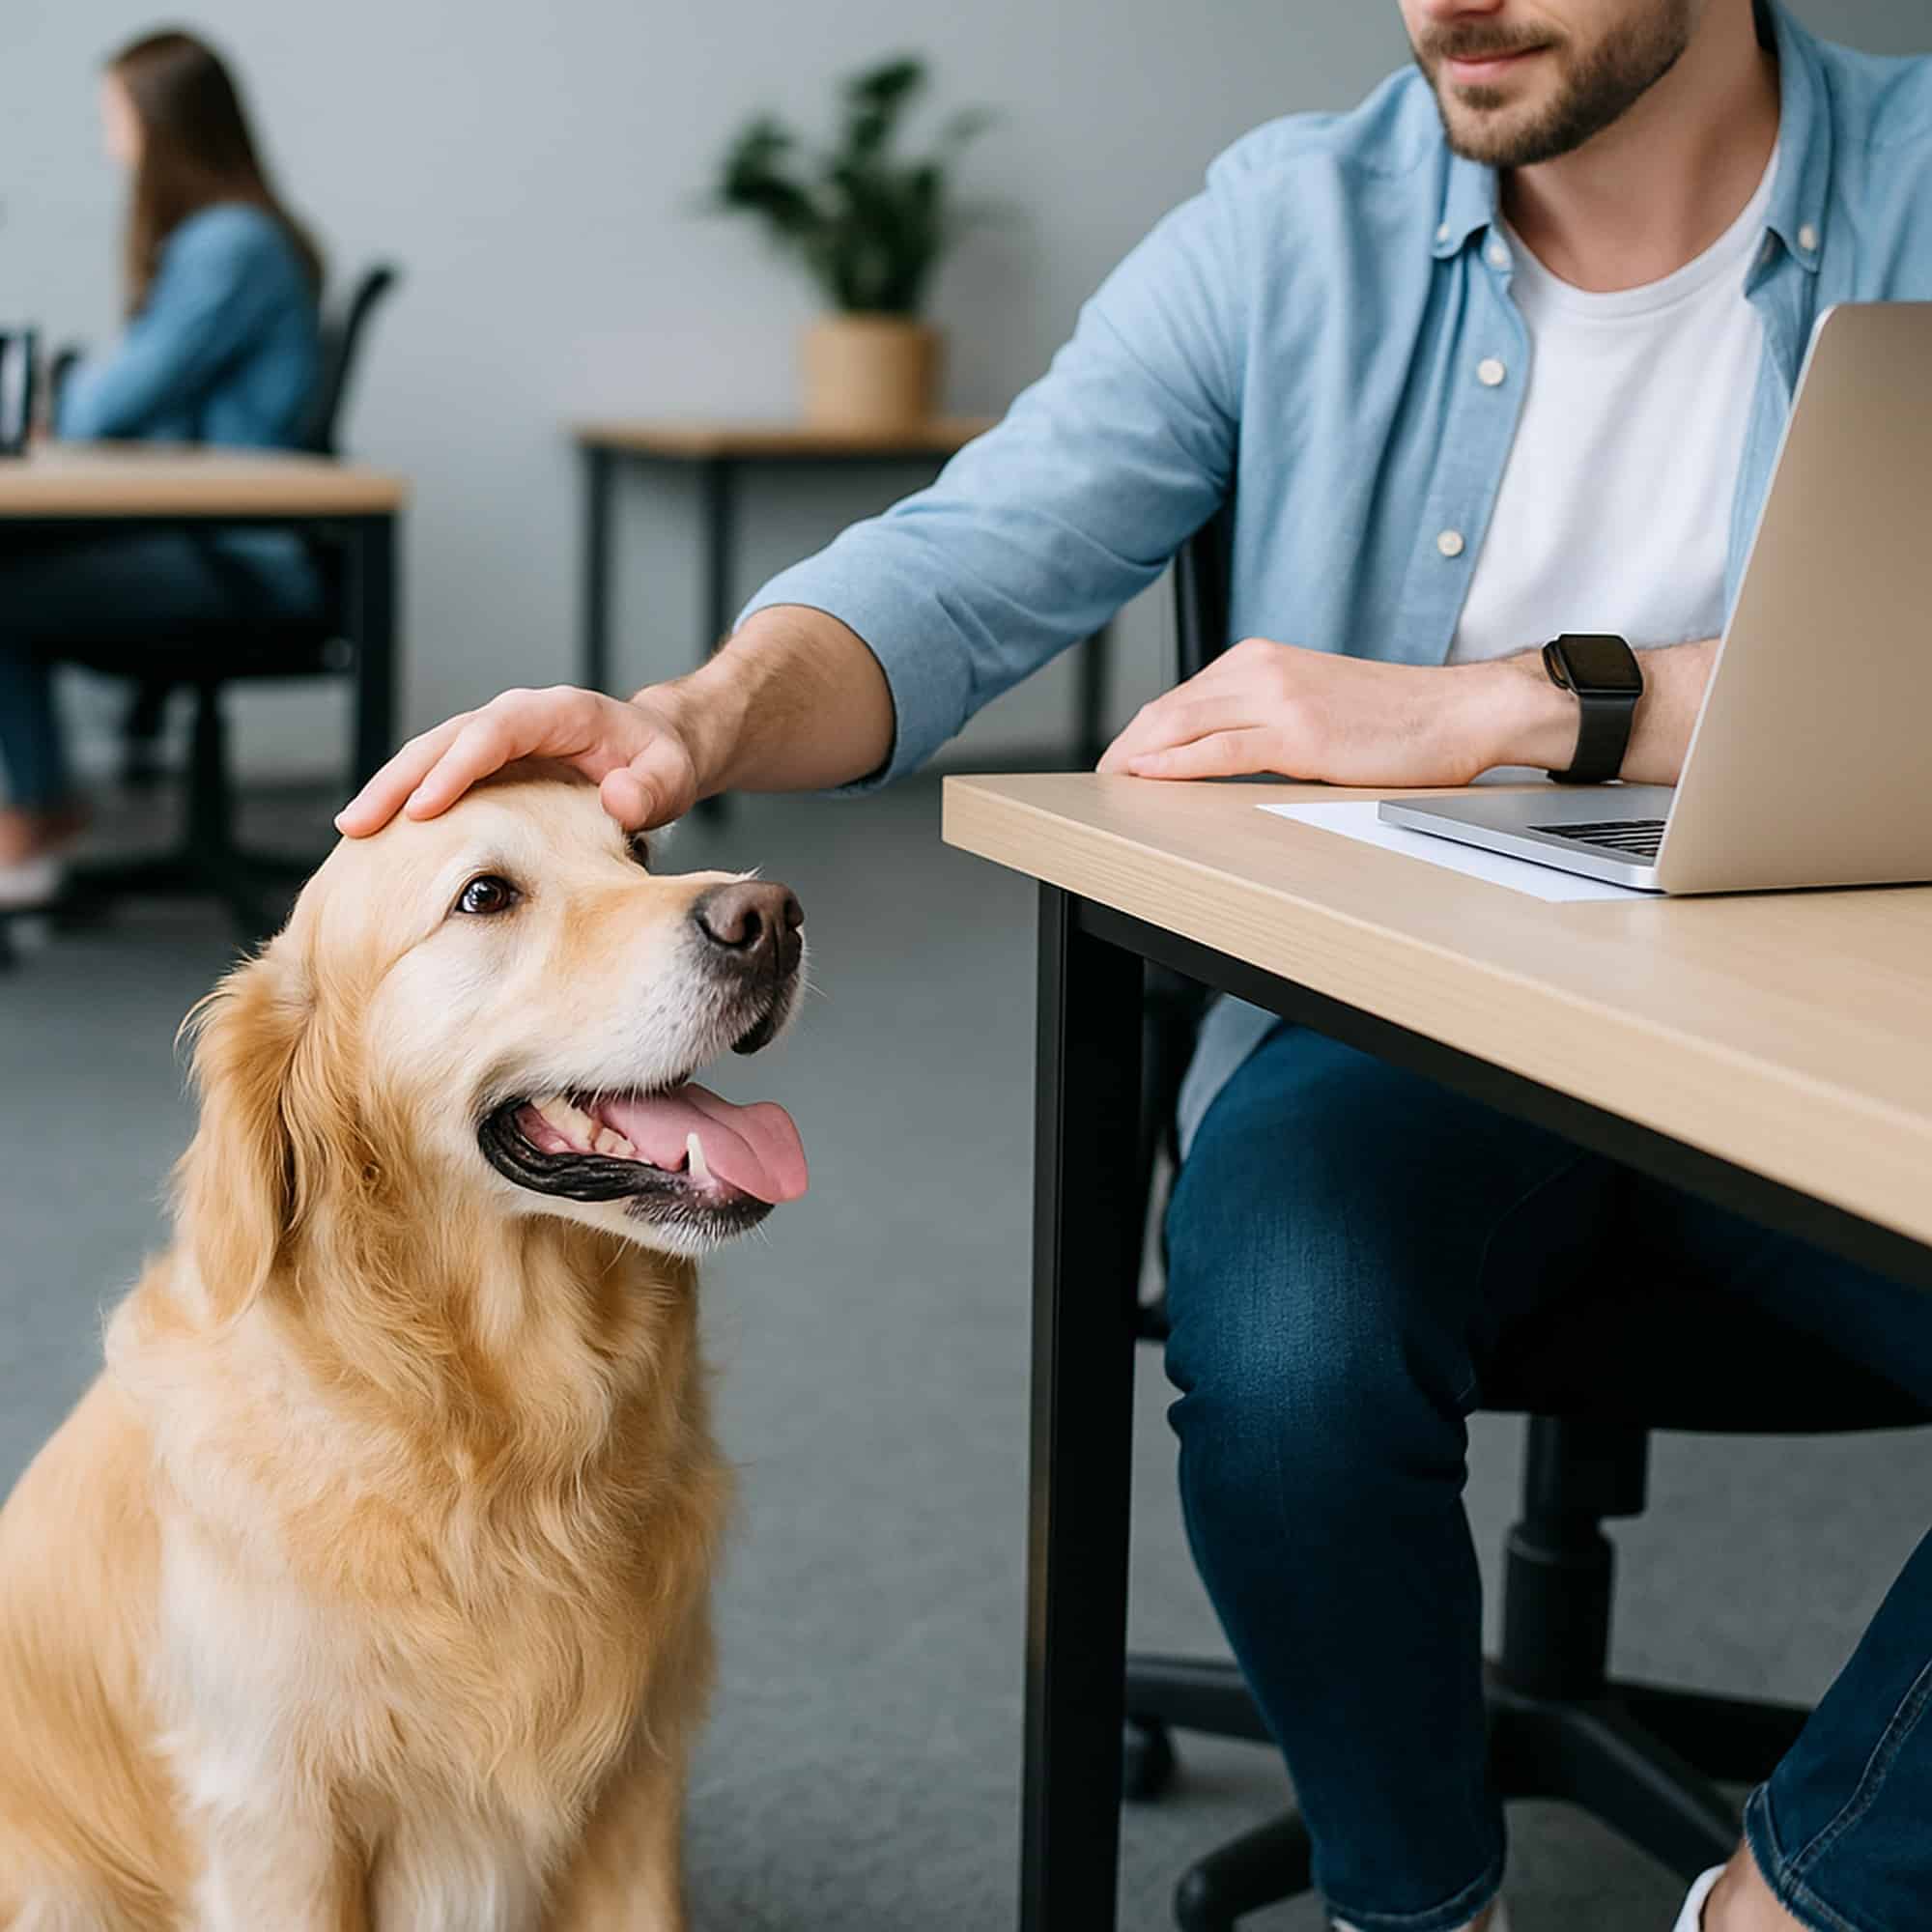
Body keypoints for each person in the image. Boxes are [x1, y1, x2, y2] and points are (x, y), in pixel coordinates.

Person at [340, 4, 1932, 1928]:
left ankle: (1801, 1896)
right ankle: (1412, 1902)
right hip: (1404, 1038)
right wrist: (695, 716)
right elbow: (964, 562)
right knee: (1285, 1330)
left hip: (1850, 1042)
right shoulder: (1294, 222)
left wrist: (1518, 706)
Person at [0, 28, 324, 899]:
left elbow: (106, 408)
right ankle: (38, 804)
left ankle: (35, 810)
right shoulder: (231, 237)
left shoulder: (228, 245)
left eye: (116, 113)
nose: (109, 134)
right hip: (219, 546)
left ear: (162, 121)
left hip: (244, 564)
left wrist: (45, 404)